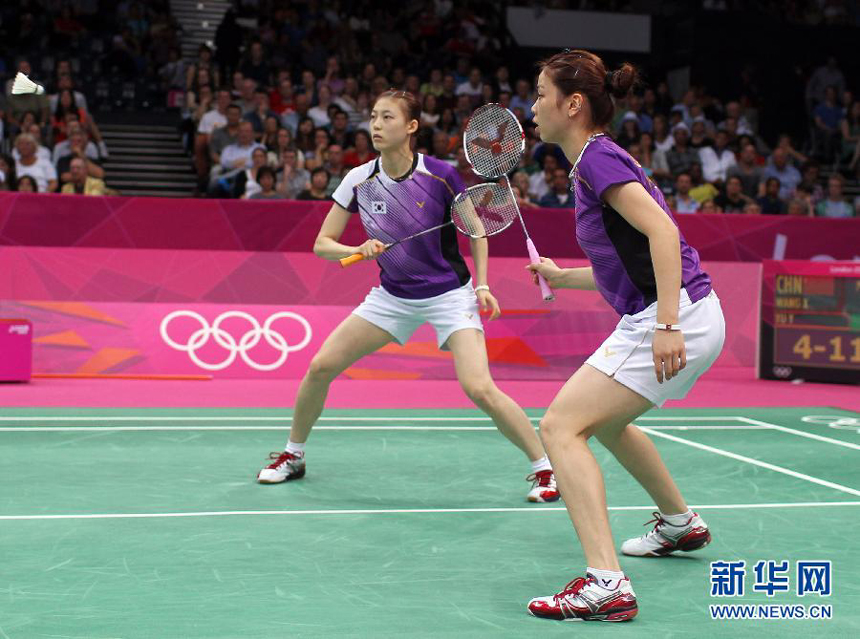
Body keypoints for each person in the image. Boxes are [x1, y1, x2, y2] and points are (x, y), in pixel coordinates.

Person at [257, 89, 559, 504]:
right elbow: (322, 244)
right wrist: (356, 250)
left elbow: (477, 230)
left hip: (449, 296)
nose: (376, 126)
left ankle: (545, 468)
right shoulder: (359, 178)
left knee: (479, 387)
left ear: (411, 126)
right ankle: (293, 455)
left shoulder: (440, 175)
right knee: (321, 366)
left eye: (387, 118)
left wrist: (483, 285)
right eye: (374, 118)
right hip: (392, 297)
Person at [525, 49, 724, 623]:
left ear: (574, 103)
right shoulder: (593, 161)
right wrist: (565, 276)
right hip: (686, 310)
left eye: (542, 94)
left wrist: (665, 324)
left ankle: (606, 584)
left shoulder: (596, 160)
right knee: (606, 423)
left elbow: (663, 231)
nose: (534, 106)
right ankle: (681, 525)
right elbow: (627, 259)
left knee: (561, 426)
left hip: (674, 316)